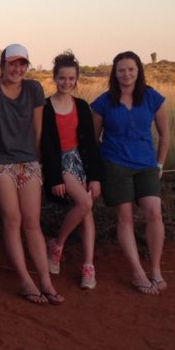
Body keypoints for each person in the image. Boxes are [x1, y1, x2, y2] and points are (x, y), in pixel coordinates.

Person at [0, 44, 63, 305]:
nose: (17, 69)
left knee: (32, 222)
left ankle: (46, 282)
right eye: (12, 63)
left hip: (27, 160)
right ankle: (26, 281)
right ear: (2, 65)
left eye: (22, 64)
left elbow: (38, 131)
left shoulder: (34, 89)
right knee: (13, 219)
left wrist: (37, 163)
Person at [91, 51, 169, 294]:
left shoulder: (151, 97)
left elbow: (165, 135)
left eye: (131, 69)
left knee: (154, 213)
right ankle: (137, 272)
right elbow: (94, 140)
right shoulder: (103, 102)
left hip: (146, 164)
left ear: (138, 71)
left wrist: (159, 164)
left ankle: (155, 269)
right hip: (115, 165)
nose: (126, 74)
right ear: (115, 73)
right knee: (125, 218)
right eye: (121, 70)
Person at [41, 51, 103, 290]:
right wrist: (55, 176)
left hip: (81, 161)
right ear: (54, 78)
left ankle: (88, 266)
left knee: (87, 209)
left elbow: (90, 142)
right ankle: (57, 244)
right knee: (85, 204)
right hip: (60, 162)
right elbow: (45, 144)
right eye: (62, 78)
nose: (66, 83)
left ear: (76, 79)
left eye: (71, 78)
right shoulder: (46, 107)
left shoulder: (81, 106)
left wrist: (95, 177)